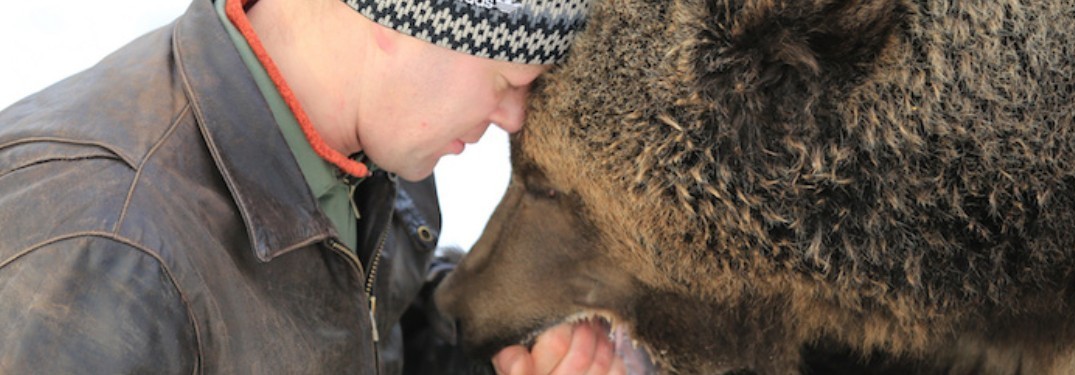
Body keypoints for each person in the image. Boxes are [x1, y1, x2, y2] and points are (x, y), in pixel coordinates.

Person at [0, 0, 623, 373]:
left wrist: (491, 358)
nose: (514, 118)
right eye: (507, 78)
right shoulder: (105, 254)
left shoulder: (362, 149)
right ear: (403, 22)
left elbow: (357, 325)